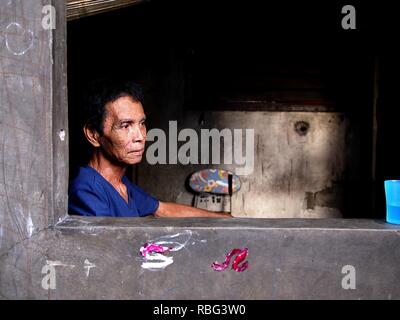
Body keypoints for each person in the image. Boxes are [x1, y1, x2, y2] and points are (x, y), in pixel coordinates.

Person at [68, 79, 231, 218]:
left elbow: (163, 210)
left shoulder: (120, 183)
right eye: (125, 126)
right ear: (93, 134)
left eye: (142, 123)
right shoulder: (86, 190)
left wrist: (222, 218)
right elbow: (110, 251)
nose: (140, 136)